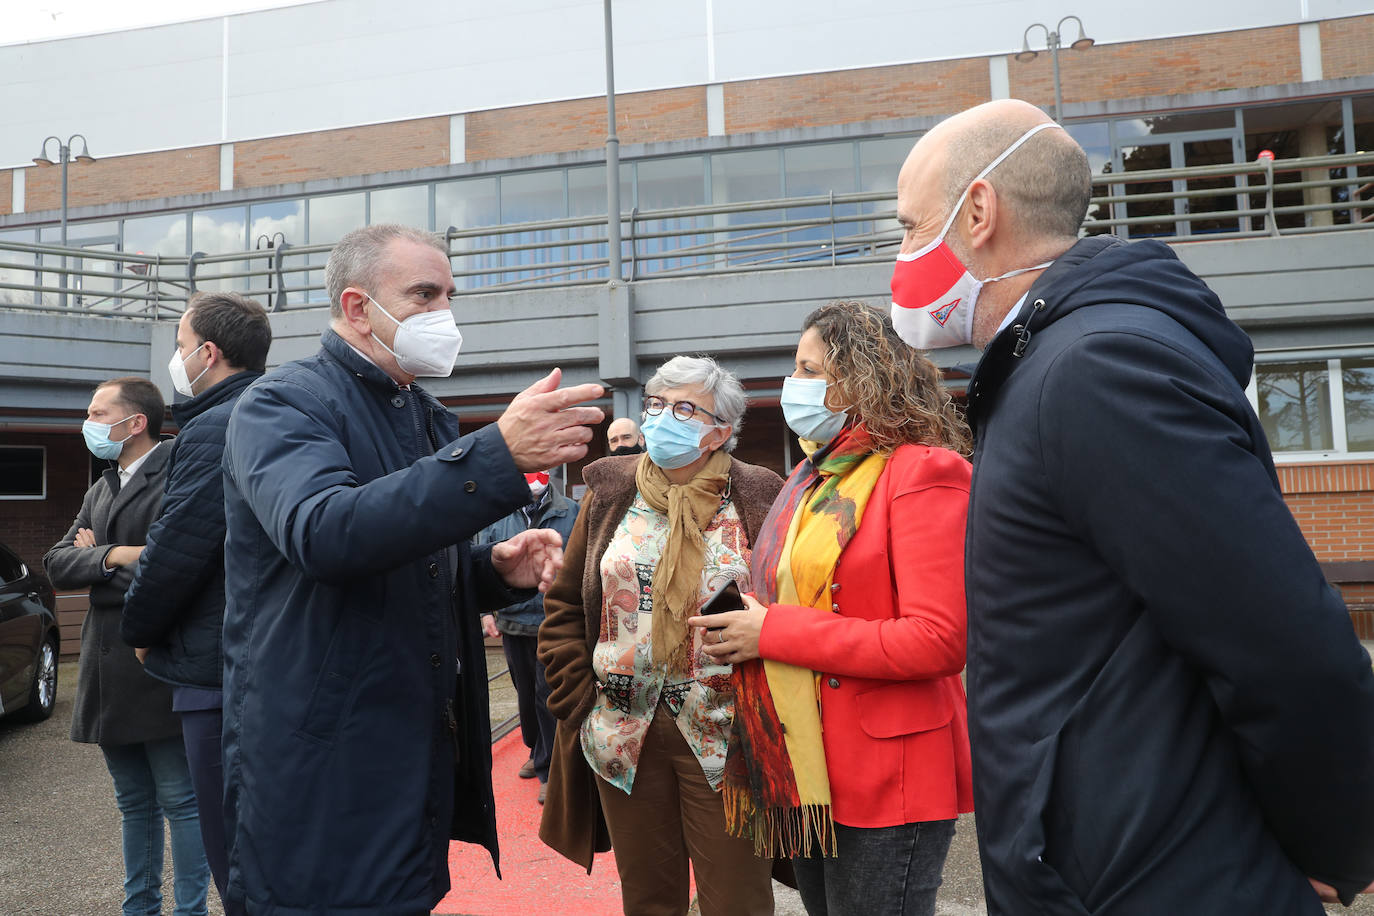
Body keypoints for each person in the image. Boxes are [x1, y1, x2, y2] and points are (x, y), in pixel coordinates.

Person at [890, 98, 1374, 912]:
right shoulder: (1054, 362)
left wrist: (1333, 841)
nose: (900, 258)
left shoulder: (1094, 369)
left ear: (979, 211)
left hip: (1155, 882)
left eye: (909, 226)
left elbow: (1283, 643)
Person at [219, 224, 604, 914]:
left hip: (406, 750)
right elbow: (325, 534)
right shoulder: (282, 404)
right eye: (424, 294)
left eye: (449, 295)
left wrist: (491, 570)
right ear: (358, 306)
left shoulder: (422, 416)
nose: (443, 314)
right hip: (323, 758)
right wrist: (494, 456)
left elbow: (401, 552)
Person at [688, 301, 974, 916]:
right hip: (806, 764)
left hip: (887, 772)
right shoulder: (811, 477)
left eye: (808, 367)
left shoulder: (925, 472)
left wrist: (773, 632)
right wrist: (743, 621)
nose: (793, 384)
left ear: (861, 375)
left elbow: (940, 640)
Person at [538, 356, 784, 916]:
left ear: (720, 429)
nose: (661, 419)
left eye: (682, 409)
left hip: (727, 738)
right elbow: (563, 606)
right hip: (623, 734)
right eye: (654, 405)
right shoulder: (608, 491)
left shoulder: (757, 494)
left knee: (738, 900)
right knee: (648, 899)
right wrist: (580, 700)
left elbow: (783, 606)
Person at [120, 291, 271, 916]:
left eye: (181, 347)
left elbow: (176, 550)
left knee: (232, 849)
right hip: (260, 660)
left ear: (208, 354)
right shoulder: (275, 409)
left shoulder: (215, 427)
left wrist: (141, 629)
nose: (177, 360)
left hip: (217, 671)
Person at [44, 376, 210, 916]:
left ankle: (190, 910)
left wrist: (99, 559)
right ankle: (139, 907)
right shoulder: (101, 485)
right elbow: (55, 563)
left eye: (97, 411)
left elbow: (173, 570)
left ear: (134, 422)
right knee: (132, 802)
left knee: (181, 802)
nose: (88, 422)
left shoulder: (175, 476)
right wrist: (118, 555)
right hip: (106, 671)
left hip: (156, 662)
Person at [475, 468, 581, 804]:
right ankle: (536, 750)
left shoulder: (569, 512)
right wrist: (485, 611)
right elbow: (481, 554)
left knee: (546, 694)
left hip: (552, 620)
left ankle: (550, 769)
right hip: (512, 619)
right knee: (524, 694)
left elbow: (580, 559)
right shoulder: (498, 510)